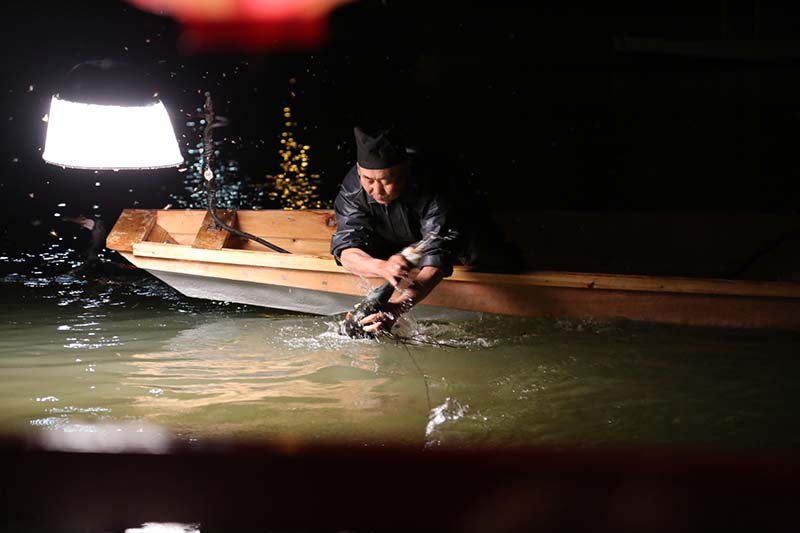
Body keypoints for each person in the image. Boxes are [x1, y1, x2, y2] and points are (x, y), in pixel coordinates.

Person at [330, 126, 521, 334]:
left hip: (463, 238)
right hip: (399, 242)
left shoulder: (435, 181)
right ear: (359, 172)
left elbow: (437, 256)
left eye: (387, 181)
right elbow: (346, 246)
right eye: (368, 180)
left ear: (405, 170)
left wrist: (398, 307)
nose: (377, 191)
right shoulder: (353, 186)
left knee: (483, 255)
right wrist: (382, 267)